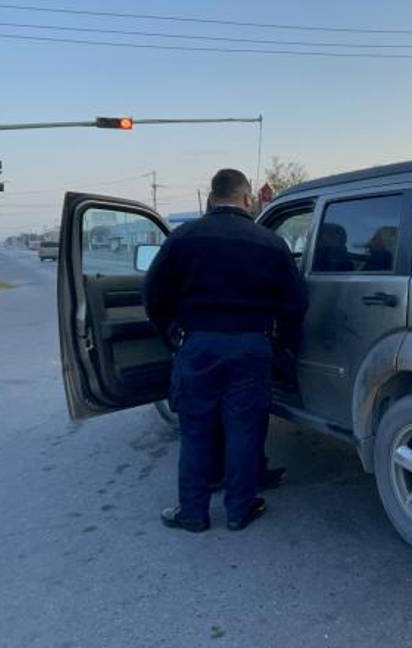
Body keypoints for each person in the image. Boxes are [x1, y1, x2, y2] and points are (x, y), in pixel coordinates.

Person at [143, 168, 307, 533]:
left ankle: (193, 514)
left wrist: (171, 334)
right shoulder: (270, 243)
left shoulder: (183, 239)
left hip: (198, 345)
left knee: (196, 431)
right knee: (244, 429)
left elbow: (152, 294)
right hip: (252, 347)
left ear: (211, 198)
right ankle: (239, 510)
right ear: (247, 199)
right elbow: (296, 304)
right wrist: (278, 344)